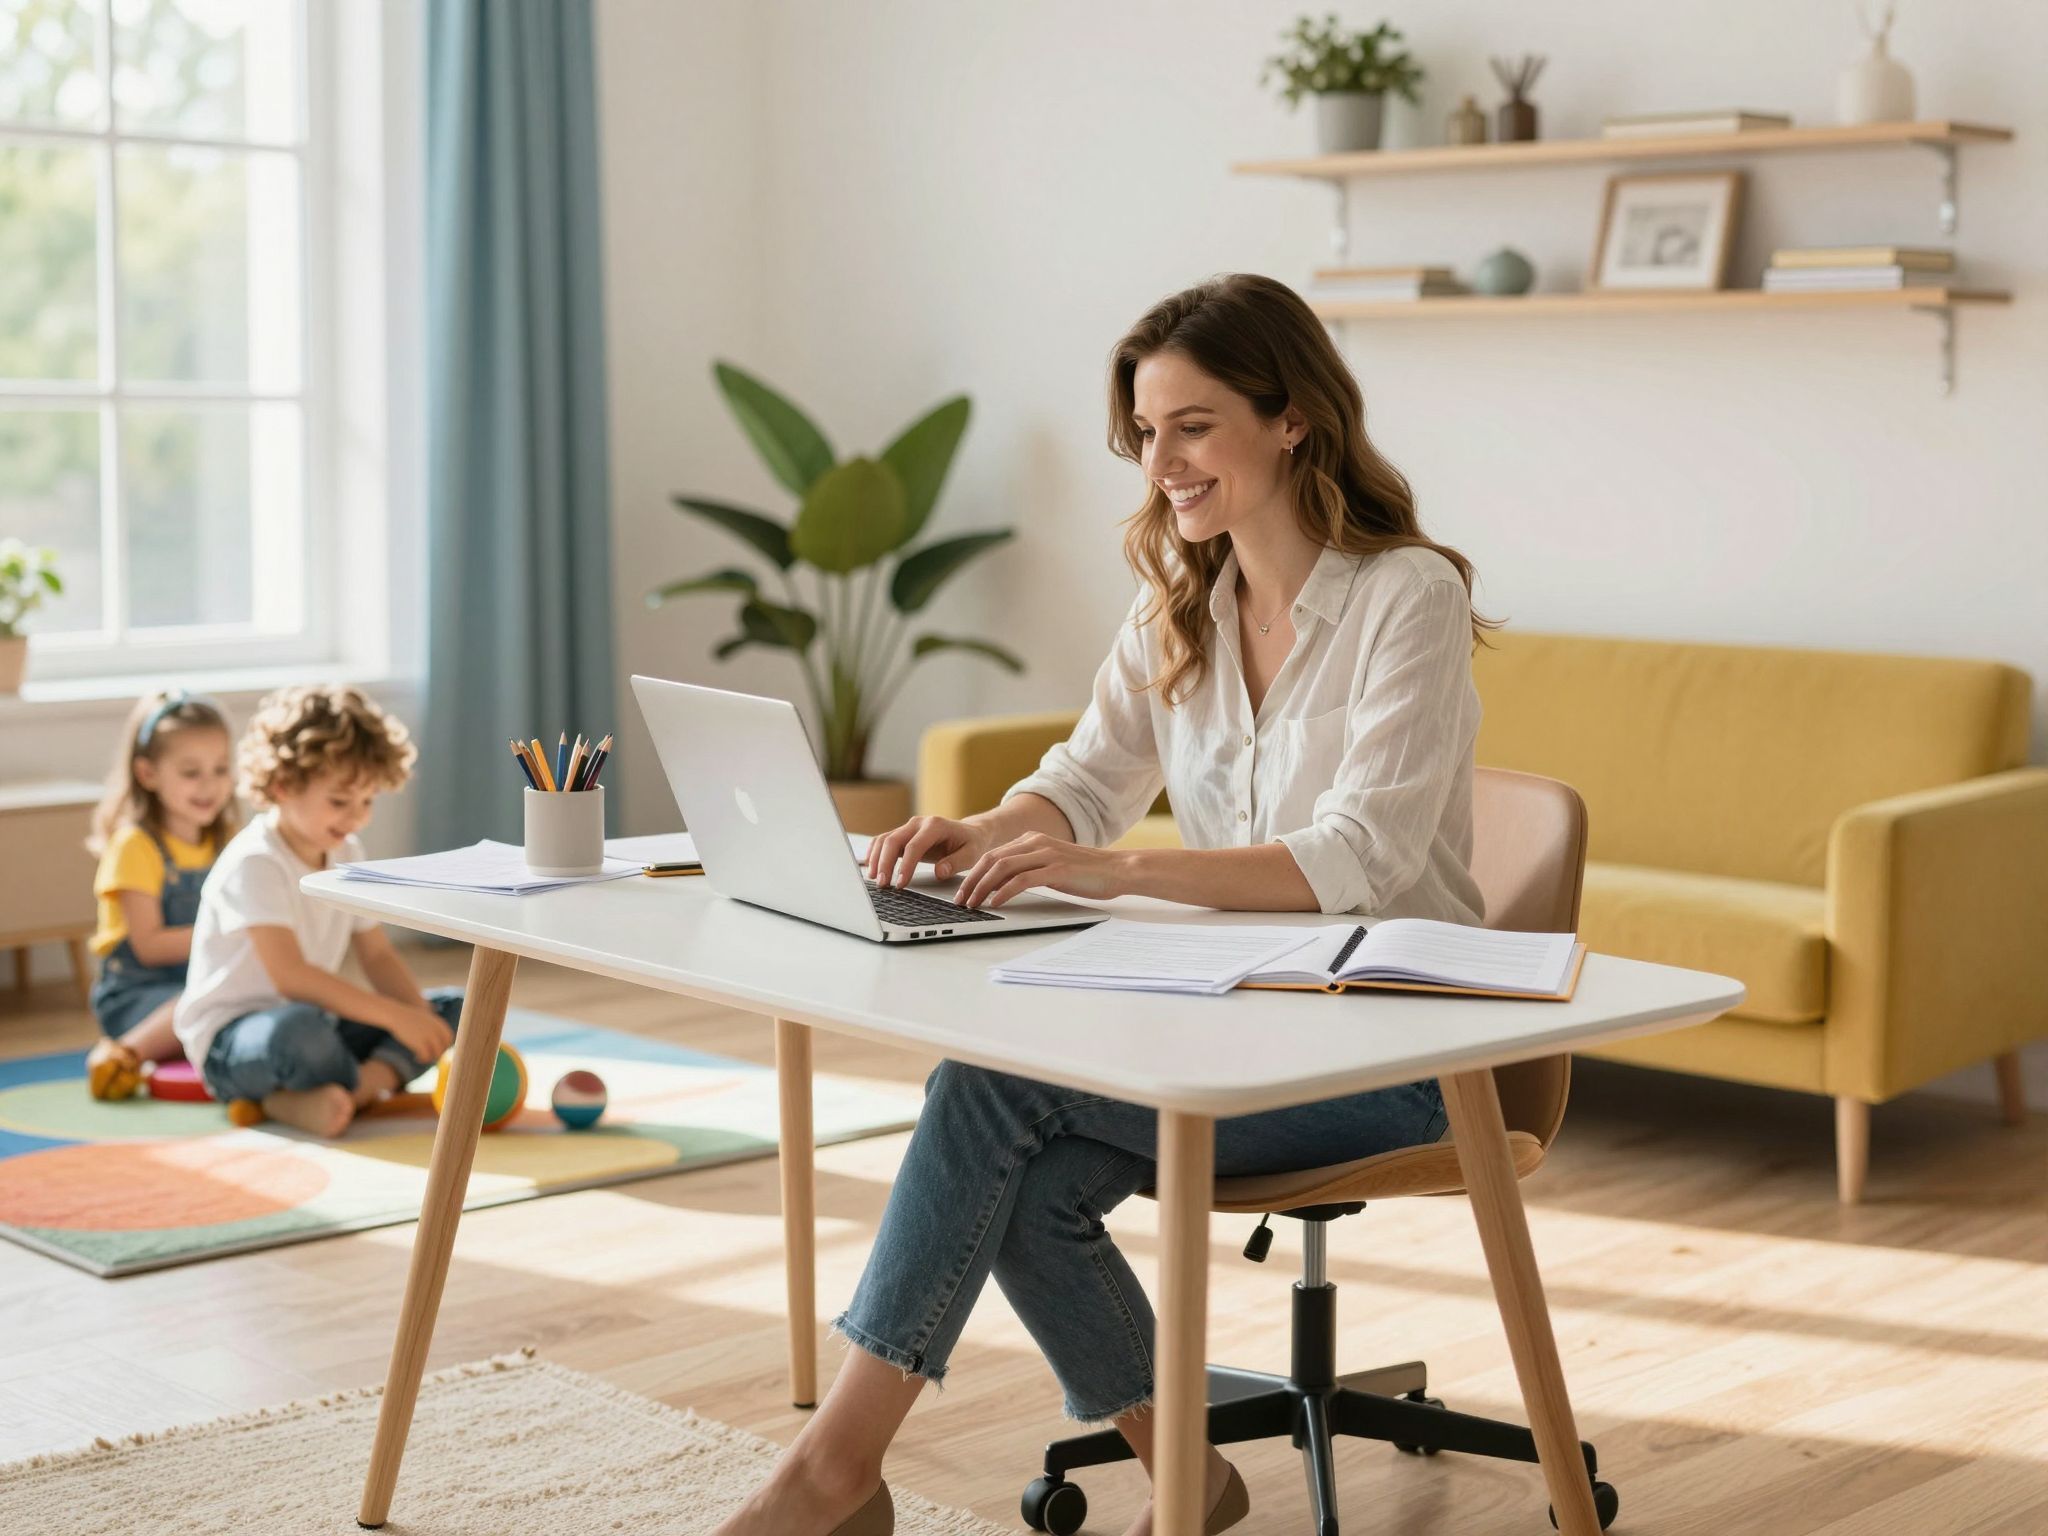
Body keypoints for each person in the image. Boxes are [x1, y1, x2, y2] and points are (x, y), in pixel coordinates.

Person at [710, 272, 1497, 1536]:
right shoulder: (1178, 602)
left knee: (987, 1096)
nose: (1161, 465)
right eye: (1146, 434)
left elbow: (1352, 854)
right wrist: (989, 831)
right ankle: (1184, 1474)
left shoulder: (1407, 597)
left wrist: (1110, 870)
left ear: (1290, 417)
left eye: (1192, 426)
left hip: (1399, 1044)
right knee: (1017, 1165)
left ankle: (830, 1478)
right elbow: (1082, 786)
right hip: (1232, 1020)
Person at [173, 685, 464, 1138]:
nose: (356, 818)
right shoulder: (256, 861)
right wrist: (394, 1020)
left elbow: (378, 956)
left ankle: (352, 1092)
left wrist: (416, 1015)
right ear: (283, 785)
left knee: (457, 1009)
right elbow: (292, 977)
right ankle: (310, 1093)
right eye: (340, 802)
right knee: (301, 1030)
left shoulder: (346, 850)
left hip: (316, 1022)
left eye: (367, 801)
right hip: (235, 1041)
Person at [83, 691, 238, 1100]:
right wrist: (233, 935)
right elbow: (149, 947)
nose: (210, 785)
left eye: (221, 769)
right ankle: (124, 1053)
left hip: (203, 983)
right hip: (137, 995)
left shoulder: (229, 842)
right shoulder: (135, 845)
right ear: (148, 774)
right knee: (197, 1005)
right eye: (191, 772)